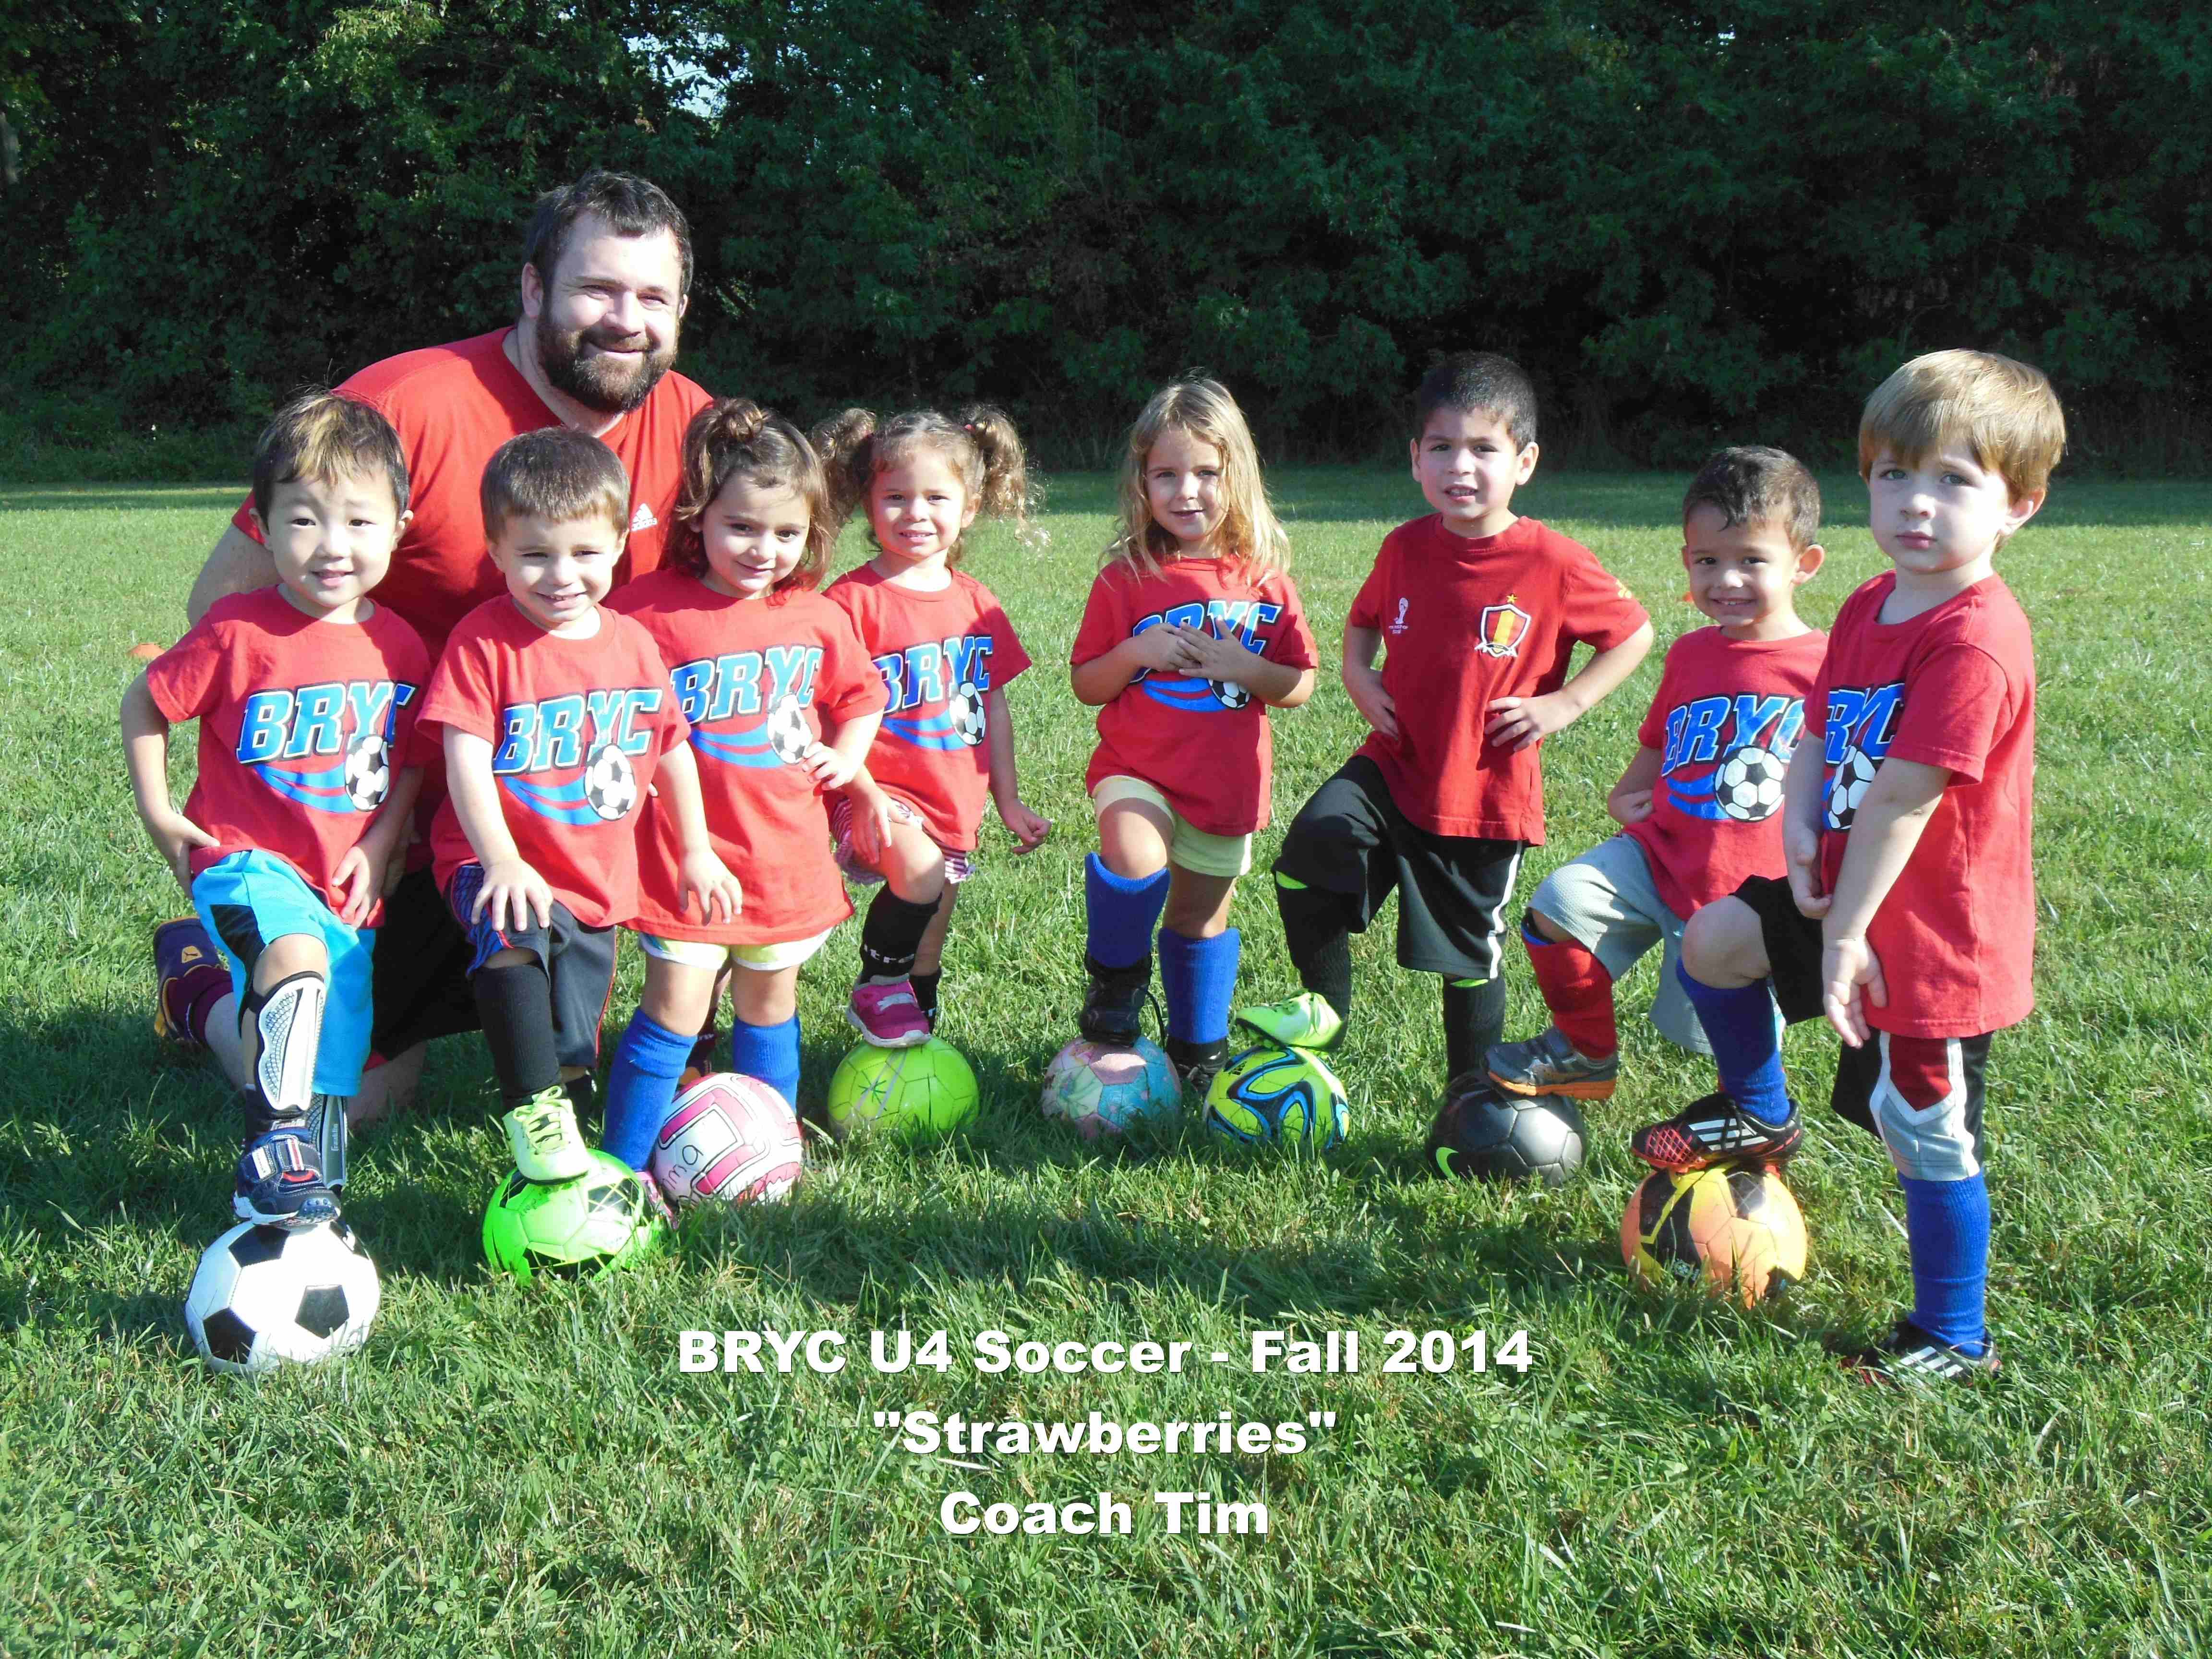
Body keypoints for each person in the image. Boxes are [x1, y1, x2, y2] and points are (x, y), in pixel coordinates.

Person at [159, 169, 714, 1122]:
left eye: (653, 298)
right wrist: (318, 811)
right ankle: (204, 988)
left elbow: (745, 616)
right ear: (533, 288)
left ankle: (680, 1033)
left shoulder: (695, 427)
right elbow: (224, 609)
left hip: (580, 800)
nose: (626, 321)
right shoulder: (404, 403)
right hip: (407, 811)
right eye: (597, 290)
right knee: (354, 1101)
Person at [1632, 350, 2062, 1384]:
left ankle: (1953, 1335)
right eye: (1894, 474)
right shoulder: (1873, 604)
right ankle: (1760, 1108)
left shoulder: (1976, 639)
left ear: (2020, 505)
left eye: (1954, 480)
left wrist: (1847, 938)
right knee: (1716, 940)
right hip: (1844, 893)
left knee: (1923, 1127)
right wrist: (1795, 831)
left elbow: (1906, 799)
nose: (1917, 503)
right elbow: (1823, 727)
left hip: (1933, 933)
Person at [1237, 351, 1655, 1091]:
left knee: (1468, 958)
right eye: (1442, 447)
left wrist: (1565, 703)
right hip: (1393, 764)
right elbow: (1363, 622)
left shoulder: (1553, 561)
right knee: (1310, 852)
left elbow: (1635, 633)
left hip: (1482, 792)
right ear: (1415, 458)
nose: (1460, 466)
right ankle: (1326, 1008)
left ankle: (1470, 1095)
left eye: (1484, 448)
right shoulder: (1404, 547)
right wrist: (1359, 676)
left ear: (1524, 462)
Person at [124, 392, 430, 1226]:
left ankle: (308, 1204)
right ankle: (269, 1156)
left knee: (333, 1069)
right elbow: (146, 701)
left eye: (359, 522)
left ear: (399, 528)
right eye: (304, 520)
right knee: (296, 962)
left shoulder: (400, 646)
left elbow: (410, 756)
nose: (333, 545)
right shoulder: (237, 632)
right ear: (261, 527)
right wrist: (159, 811)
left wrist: (381, 839)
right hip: (242, 861)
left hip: (343, 881)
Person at [419, 429, 741, 1181]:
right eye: (535, 555)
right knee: (513, 938)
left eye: (586, 553)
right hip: (495, 858)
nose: (562, 576)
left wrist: (695, 848)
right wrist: (501, 859)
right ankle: (534, 1116)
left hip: (595, 875)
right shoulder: (483, 642)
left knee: (571, 1034)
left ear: (620, 544)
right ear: (496, 551)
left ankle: (561, 1102)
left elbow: (671, 748)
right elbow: (464, 755)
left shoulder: (633, 644)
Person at [1485, 446, 1827, 1102]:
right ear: (1686, 560)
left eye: (1752, 560)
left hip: (1748, 887)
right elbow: (1662, 738)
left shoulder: (1827, 666)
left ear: (1803, 564)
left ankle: (1753, 1119)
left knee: (1733, 1033)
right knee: (1562, 903)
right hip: (1661, 852)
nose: (1726, 579)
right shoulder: (1691, 653)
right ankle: (1585, 1050)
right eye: (1708, 561)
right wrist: (1627, 792)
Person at [599, 400, 890, 1166]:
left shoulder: (815, 616)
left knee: (769, 1003)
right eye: (743, 528)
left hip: (784, 856)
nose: (765, 550)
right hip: (686, 856)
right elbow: (597, 694)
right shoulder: (644, 612)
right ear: (698, 517)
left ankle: (770, 1156)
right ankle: (625, 1168)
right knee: (675, 1008)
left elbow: (862, 696)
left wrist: (849, 758)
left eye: (788, 533)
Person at [1068, 377, 1318, 1092]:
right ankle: (1116, 988)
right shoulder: (1126, 578)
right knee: (1134, 857)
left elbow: (1300, 683)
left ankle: (1197, 1050)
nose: (1187, 492)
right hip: (1138, 767)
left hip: (1225, 784)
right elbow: (1087, 683)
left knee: (1198, 922)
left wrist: (1249, 668)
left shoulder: (1265, 581)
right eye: (1166, 475)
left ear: (1237, 476)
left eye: (1206, 472)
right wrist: (1134, 653)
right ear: (1141, 482)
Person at [814, 405, 1053, 1046]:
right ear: (868, 504)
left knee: (931, 929)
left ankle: (915, 1024)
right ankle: (877, 987)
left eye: (935, 498)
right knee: (919, 873)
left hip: (952, 796)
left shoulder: (977, 604)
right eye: (895, 497)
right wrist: (854, 787)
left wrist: (1008, 800)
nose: (915, 513)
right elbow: (824, 709)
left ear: (969, 508)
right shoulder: (849, 603)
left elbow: (993, 707)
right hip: (875, 790)